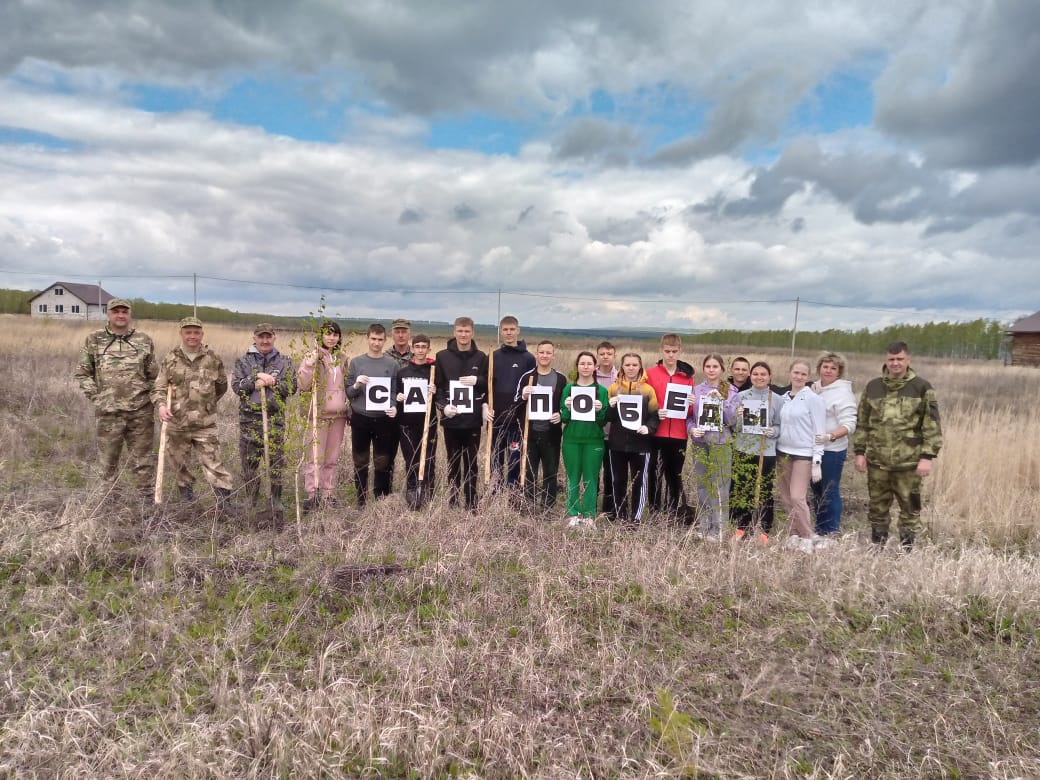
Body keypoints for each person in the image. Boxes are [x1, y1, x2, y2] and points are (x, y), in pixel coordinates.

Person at [853, 341, 942, 549]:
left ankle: (906, 550)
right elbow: (863, 422)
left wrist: (927, 457)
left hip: (909, 464)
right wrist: (859, 452)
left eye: (900, 359)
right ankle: (878, 547)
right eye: (891, 359)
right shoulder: (873, 387)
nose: (895, 363)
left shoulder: (922, 387)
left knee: (910, 509)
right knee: (877, 508)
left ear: (908, 360)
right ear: (886, 360)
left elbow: (932, 425)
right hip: (877, 462)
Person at [74, 297, 158, 499]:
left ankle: (145, 503)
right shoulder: (94, 339)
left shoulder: (143, 340)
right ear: (108, 314)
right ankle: (109, 502)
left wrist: (155, 400)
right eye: (116, 311)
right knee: (108, 460)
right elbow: (83, 373)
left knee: (143, 460)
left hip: (140, 412)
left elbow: (154, 376)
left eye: (124, 311)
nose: (120, 315)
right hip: (109, 413)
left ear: (129, 314)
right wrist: (97, 398)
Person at [153, 317, 234, 515]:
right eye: (188, 332)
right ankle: (187, 502)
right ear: (181, 334)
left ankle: (224, 505)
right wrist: (162, 406)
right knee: (180, 464)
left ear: (202, 334)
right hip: (177, 423)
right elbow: (159, 387)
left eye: (196, 332)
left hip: (205, 424)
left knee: (214, 462)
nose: (192, 336)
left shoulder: (212, 358)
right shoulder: (170, 358)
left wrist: (206, 405)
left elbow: (221, 386)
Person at [231, 323, 295, 520]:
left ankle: (275, 499)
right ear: (255, 338)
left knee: (275, 462)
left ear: (274, 337)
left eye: (269, 337)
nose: (265, 340)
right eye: (261, 337)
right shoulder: (243, 361)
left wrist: (273, 382)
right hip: (249, 419)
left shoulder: (284, 361)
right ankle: (251, 498)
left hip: (274, 419)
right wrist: (254, 380)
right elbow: (236, 387)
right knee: (250, 463)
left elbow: (292, 388)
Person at [435, 316, 489, 510]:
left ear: (472, 332)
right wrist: (443, 407)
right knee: (453, 460)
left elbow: (488, 384)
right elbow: (438, 386)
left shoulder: (481, 357)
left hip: (473, 420)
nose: (463, 335)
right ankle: (453, 499)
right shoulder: (442, 356)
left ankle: (471, 500)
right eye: (460, 331)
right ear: (454, 332)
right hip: (451, 419)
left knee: (471, 462)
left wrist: (478, 381)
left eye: (467, 331)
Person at [345, 323, 399, 507]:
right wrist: (356, 385)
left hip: (383, 419)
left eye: (380, 339)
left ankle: (380, 498)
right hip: (361, 418)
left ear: (385, 340)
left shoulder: (392, 364)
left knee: (382, 460)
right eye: (373, 339)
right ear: (367, 338)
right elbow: (349, 393)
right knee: (360, 459)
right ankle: (361, 499)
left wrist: (393, 405)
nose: (376, 343)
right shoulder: (356, 363)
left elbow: (394, 391)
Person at [297, 320, 349, 510]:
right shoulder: (313, 356)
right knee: (315, 457)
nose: (331, 337)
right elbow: (302, 384)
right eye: (328, 334)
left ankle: (327, 494)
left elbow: (347, 385)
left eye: (335, 334)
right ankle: (312, 494)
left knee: (331, 457)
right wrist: (309, 366)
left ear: (339, 337)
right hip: (318, 416)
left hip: (339, 417)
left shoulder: (343, 358)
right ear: (321, 336)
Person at [730, 361, 785, 541]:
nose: (759, 377)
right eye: (755, 374)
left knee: (764, 491)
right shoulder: (741, 396)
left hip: (765, 451)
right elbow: (734, 427)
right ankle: (741, 526)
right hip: (743, 449)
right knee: (742, 489)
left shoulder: (776, 399)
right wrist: (737, 417)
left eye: (763, 374)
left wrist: (773, 431)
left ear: (769, 377)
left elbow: (780, 425)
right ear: (750, 376)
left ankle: (764, 529)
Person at [776, 359, 826, 551]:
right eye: (796, 373)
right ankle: (794, 533)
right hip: (783, 453)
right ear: (790, 373)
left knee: (798, 497)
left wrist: (817, 460)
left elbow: (819, 431)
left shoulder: (813, 399)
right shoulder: (784, 398)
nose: (799, 377)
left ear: (807, 377)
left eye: (803, 374)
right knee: (786, 497)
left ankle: (807, 535)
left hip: (803, 455)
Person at [687, 354, 739, 540]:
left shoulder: (730, 390)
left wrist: (722, 402)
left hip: (721, 443)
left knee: (720, 485)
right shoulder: (696, 390)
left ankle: (718, 529)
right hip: (700, 443)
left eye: (715, 366)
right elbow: (690, 418)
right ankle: (704, 525)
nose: (711, 369)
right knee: (703, 485)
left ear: (722, 369)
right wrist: (692, 430)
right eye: (708, 366)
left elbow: (733, 421)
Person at [645, 333, 696, 521]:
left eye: (674, 351)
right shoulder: (650, 373)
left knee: (675, 474)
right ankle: (655, 510)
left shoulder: (687, 376)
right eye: (667, 351)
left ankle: (674, 510)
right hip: (656, 432)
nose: (671, 355)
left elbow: (689, 411)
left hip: (679, 433)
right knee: (654, 473)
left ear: (680, 351)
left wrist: (692, 402)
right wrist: (654, 412)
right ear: (661, 350)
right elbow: (645, 401)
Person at [515, 340, 568, 514]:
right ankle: (529, 505)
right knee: (530, 470)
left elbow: (565, 404)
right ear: (536, 354)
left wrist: (560, 413)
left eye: (548, 353)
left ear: (553, 355)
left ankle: (547, 507)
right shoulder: (527, 377)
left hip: (551, 434)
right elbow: (515, 402)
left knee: (550, 471)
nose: (544, 356)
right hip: (530, 432)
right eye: (541, 352)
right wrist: (523, 395)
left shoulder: (560, 378)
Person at [606, 353, 659, 525]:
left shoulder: (648, 390)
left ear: (640, 367)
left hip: (641, 445)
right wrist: (611, 406)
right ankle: (620, 515)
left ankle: (635, 518)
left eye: (634, 365)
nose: (631, 368)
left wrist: (649, 428)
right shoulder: (614, 388)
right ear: (622, 367)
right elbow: (608, 417)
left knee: (639, 483)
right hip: (617, 444)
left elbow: (654, 415)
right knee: (618, 481)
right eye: (627, 365)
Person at [810, 351, 857, 536]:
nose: (828, 370)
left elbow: (849, 424)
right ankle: (819, 528)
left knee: (829, 490)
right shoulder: (814, 388)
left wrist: (830, 436)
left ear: (839, 372)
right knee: (817, 490)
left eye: (833, 368)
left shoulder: (843, 393)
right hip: (813, 449)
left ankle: (830, 531)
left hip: (831, 450)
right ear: (819, 368)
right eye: (825, 366)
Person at [560, 351, 609, 527]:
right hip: (571, 439)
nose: (586, 367)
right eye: (582, 363)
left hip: (593, 440)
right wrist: (566, 407)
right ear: (577, 366)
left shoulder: (601, 391)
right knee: (572, 477)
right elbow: (564, 418)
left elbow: (603, 420)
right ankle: (573, 514)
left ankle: (589, 516)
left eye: (589, 363)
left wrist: (600, 409)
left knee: (591, 478)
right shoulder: (569, 389)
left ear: (595, 366)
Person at [487, 315, 535, 489]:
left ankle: (514, 492)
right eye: (505, 329)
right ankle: (495, 492)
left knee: (515, 458)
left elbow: (532, 386)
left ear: (518, 330)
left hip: (518, 419)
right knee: (495, 457)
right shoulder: (493, 356)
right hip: (496, 417)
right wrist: (486, 406)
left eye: (512, 329)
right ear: (501, 331)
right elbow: (488, 385)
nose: (509, 333)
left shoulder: (528, 358)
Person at [395, 333, 438, 509]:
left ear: (429, 349)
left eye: (423, 347)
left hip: (429, 421)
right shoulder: (403, 372)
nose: (420, 350)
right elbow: (395, 394)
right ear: (412, 349)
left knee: (428, 457)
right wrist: (398, 396)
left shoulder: (434, 371)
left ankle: (427, 488)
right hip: (407, 422)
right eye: (417, 346)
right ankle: (413, 489)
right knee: (411, 457)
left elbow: (442, 394)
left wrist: (436, 390)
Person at [595, 340, 618, 516]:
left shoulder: (620, 378)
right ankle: (591, 506)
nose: (605, 357)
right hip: (594, 433)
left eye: (609, 354)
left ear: (614, 355)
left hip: (614, 434)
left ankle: (609, 509)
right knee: (593, 471)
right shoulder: (590, 376)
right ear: (598, 355)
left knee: (611, 473)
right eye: (602, 353)